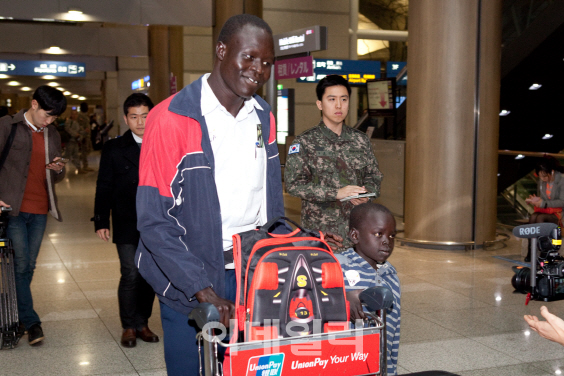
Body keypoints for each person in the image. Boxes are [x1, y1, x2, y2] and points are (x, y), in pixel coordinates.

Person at [135, 14, 285, 375]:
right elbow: (154, 221)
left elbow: (272, 202)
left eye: (266, 62)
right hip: (189, 275)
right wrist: (201, 288)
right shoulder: (171, 118)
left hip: (250, 271)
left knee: (251, 367)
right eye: (249, 57)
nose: (258, 70)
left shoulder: (263, 116)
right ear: (221, 50)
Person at [0, 85, 67, 345]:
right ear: (34, 104)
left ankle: (16, 316)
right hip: (14, 208)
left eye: (54, 118)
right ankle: (32, 322)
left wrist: (58, 168)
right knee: (21, 264)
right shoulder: (8, 126)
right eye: (47, 115)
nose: (49, 121)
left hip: (40, 208)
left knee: (28, 266)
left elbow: (56, 175)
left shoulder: (52, 133)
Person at [284, 74, 383, 252]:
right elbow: (293, 185)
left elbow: (374, 175)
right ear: (320, 104)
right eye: (332, 99)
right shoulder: (304, 142)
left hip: (358, 234)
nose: (339, 105)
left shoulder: (360, 140)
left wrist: (367, 193)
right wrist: (336, 193)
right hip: (322, 236)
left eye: (344, 99)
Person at [93, 93, 159, 348]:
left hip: (156, 221)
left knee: (149, 275)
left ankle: (143, 322)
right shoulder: (114, 148)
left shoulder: (163, 143)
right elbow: (104, 186)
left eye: (145, 116)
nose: (140, 122)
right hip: (126, 219)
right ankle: (129, 325)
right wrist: (101, 220)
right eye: (134, 117)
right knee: (130, 272)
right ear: (125, 118)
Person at [335, 203, 400, 375]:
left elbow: (392, 331)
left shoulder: (390, 274)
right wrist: (341, 299)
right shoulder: (338, 266)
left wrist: (389, 369)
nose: (387, 241)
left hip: (380, 365)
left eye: (392, 235)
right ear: (355, 235)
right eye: (379, 234)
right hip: (344, 363)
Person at [524, 156, 564, 262]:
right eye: (540, 176)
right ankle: (531, 250)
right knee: (533, 217)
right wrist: (536, 200)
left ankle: (543, 251)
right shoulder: (542, 182)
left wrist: (544, 203)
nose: (543, 179)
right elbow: (543, 200)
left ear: (552, 171)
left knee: (540, 218)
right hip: (549, 211)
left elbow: (562, 201)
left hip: (560, 213)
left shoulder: (562, 180)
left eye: (545, 176)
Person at [77, 102, 93, 171]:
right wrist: (83, 132)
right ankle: (85, 165)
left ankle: (82, 159)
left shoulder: (86, 115)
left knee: (88, 149)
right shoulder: (80, 116)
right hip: (84, 135)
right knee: (84, 150)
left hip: (88, 135)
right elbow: (79, 125)